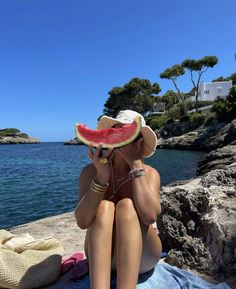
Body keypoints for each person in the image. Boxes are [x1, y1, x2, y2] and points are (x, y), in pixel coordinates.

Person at [75, 110, 162, 289]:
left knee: (126, 206)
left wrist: (136, 165)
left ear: (139, 142)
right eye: (116, 132)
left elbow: (150, 216)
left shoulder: (150, 173)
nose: (121, 139)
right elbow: (83, 222)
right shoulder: (89, 172)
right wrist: (101, 176)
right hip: (100, 256)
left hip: (143, 257)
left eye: (127, 133)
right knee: (104, 207)